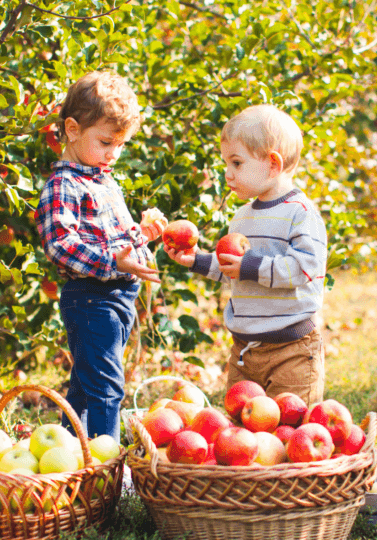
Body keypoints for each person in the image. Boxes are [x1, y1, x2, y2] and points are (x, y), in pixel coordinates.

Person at [165, 104, 327, 404]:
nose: (227, 173)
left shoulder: (300, 213)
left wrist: (251, 267)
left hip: (291, 348)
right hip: (244, 350)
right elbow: (236, 270)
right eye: (226, 163)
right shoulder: (241, 216)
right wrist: (198, 260)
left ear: (273, 164)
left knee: (290, 430)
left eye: (237, 163)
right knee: (241, 432)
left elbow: (306, 268)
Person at [36, 70, 167, 441]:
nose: (114, 153)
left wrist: (144, 234)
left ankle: (70, 451)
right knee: (107, 386)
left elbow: (116, 242)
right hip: (91, 300)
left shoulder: (102, 177)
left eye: (121, 145)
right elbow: (61, 244)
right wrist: (113, 263)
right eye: (106, 142)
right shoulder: (64, 184)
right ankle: (106, 465)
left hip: (118, 298)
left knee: (86, 380)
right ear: (73, 129)